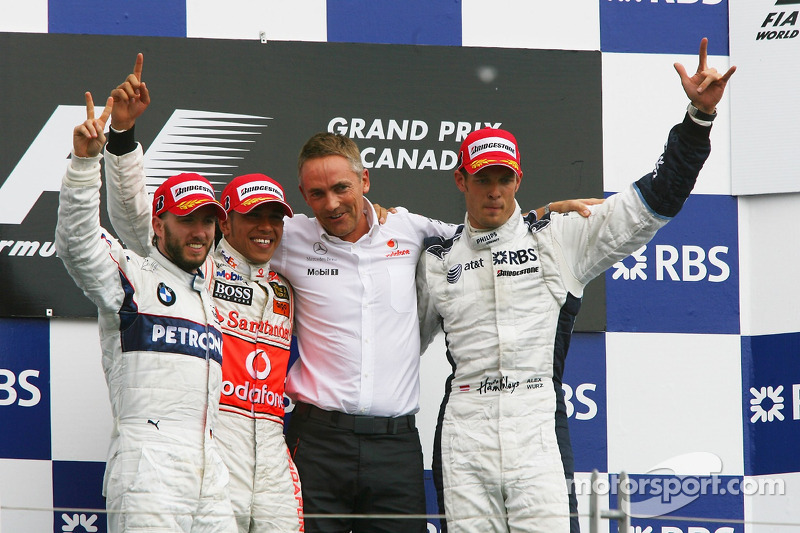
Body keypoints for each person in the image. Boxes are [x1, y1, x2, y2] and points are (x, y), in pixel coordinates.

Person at [415, 38, 736, 533]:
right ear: (461, 180)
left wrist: (696, 120)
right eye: (483, 179)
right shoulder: (437, 260)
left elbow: (654, 202)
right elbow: (391, 345)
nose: (494, 191)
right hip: (464, 427)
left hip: (535, 420)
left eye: (504, 178)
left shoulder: (561, 236)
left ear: (519, 178)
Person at [103, 55, 305, 532]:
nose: (265, 228)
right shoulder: (200, 267)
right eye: (254, 216)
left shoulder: (288, 282)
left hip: (273, 449)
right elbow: (136, 223)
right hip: (215, 442)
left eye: (275, 218)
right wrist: (123, 138)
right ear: (225, 222)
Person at [56, 93, 236, 532]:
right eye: (186, 221)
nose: (200, 233)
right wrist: (84, 164)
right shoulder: (131, 276)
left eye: (208, 222)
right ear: (159, 226)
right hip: (148, 469)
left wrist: (122, 136)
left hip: (210, 468)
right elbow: (77, 244)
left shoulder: (210, 284)